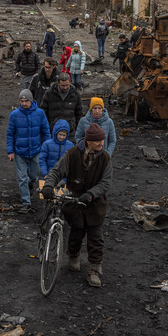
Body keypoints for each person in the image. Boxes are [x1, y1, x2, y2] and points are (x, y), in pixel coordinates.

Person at [42, 122, 113, 287]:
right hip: (75, 204)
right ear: (88, 141)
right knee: (76, 233)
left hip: (95, 205)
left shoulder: (105, 158)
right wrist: (48, 185)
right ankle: (73, 255)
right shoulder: (72, 154)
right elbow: (56, 171)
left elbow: (106, 183)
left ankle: (94, 270)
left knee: (96, 238)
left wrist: (91, 194)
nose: (102, 143)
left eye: (103, 140)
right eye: (98, 141)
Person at [6, 89, 51, 212]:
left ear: (31, 101)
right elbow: (10, 134)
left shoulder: (40, 114)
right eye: (21, 101)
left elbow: (46, 131)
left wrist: (48, 147)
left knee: (34, 176)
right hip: (20, 151)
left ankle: (30, 184)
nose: (24, 103)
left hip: (35, 151)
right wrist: (10, 151)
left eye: (26, 101)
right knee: (21, 178)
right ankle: (26, 202)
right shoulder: (14, 115)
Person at [40, 72, 85, 138]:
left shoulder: (75, 94)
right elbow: (43, 111)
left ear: (70, 82)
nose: (65, 87)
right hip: (53, 130)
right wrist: (48, 126)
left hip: (70, 132)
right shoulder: (49, 93)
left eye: (67, 85)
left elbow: (79, 113)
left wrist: (77, 129)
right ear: (58, 83)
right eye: (63, 85)